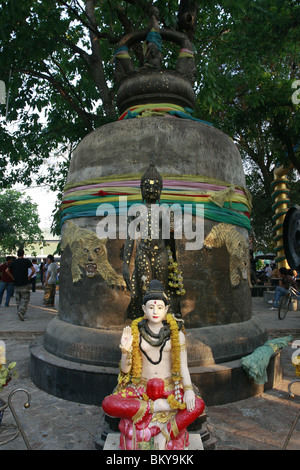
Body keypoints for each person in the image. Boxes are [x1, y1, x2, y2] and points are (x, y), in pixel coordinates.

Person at [102, 280, 205, 450]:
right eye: (151, 307)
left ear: (166, 309)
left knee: (198, 405)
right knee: (109, 404)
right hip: (140, 387)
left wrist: (188, 390)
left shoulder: (176, 335)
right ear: (144, 310)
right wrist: (125, 351)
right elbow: (126, 370)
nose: (155, 311)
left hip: (169, 387)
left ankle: (165, 434)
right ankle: (153, 407)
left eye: (159, 307)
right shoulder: (136, 333)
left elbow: (183, 367)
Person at [6, 248, 35, 321]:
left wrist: (13, 277)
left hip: (16, 283)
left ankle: (19, 311)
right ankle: (21, 312)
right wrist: (29, 277)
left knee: (18, 299)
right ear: (23, 254)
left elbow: (7, 270)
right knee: (25, 298)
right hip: (24, 283)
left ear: (17, 254)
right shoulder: (27, 261)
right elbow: (33, 270)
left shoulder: (14, 262)